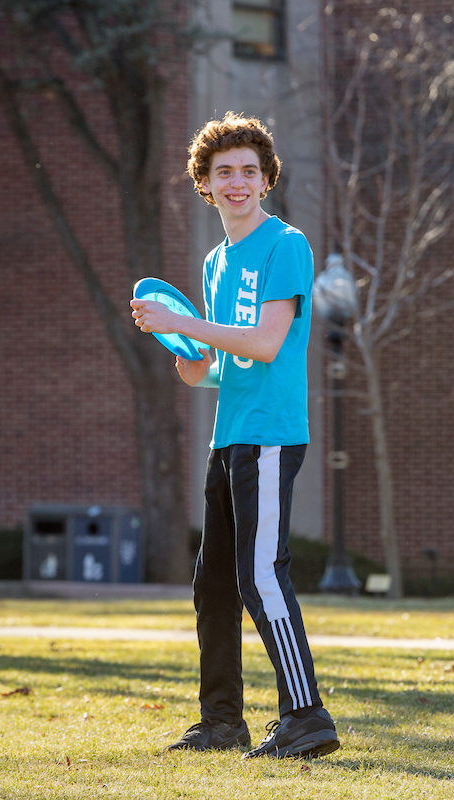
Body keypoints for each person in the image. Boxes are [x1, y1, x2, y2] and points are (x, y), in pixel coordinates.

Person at [130, 113, 340, 760]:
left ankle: (305, 716)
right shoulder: (217, 261)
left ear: (267, 179)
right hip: (231, 439)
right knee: (213, 584)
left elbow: (270, 342)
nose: (238, 181)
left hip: (273, 437)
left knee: (260, 576)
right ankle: (222, 722)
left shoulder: (288, 245)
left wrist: (186, 325)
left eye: (249, 170)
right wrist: (193, 362)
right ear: (205, 183)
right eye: (224, 172)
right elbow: (229, 364)